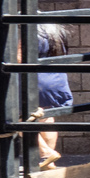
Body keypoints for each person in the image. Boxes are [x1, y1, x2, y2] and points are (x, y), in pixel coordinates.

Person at [34, 23, 72, 170]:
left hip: (35, 81)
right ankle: (49, 163)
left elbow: (18, 56)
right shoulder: (55, 30)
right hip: (55, 79)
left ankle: (46, 153)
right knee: (47, 117)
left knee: (15, 116)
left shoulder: (24, 29)